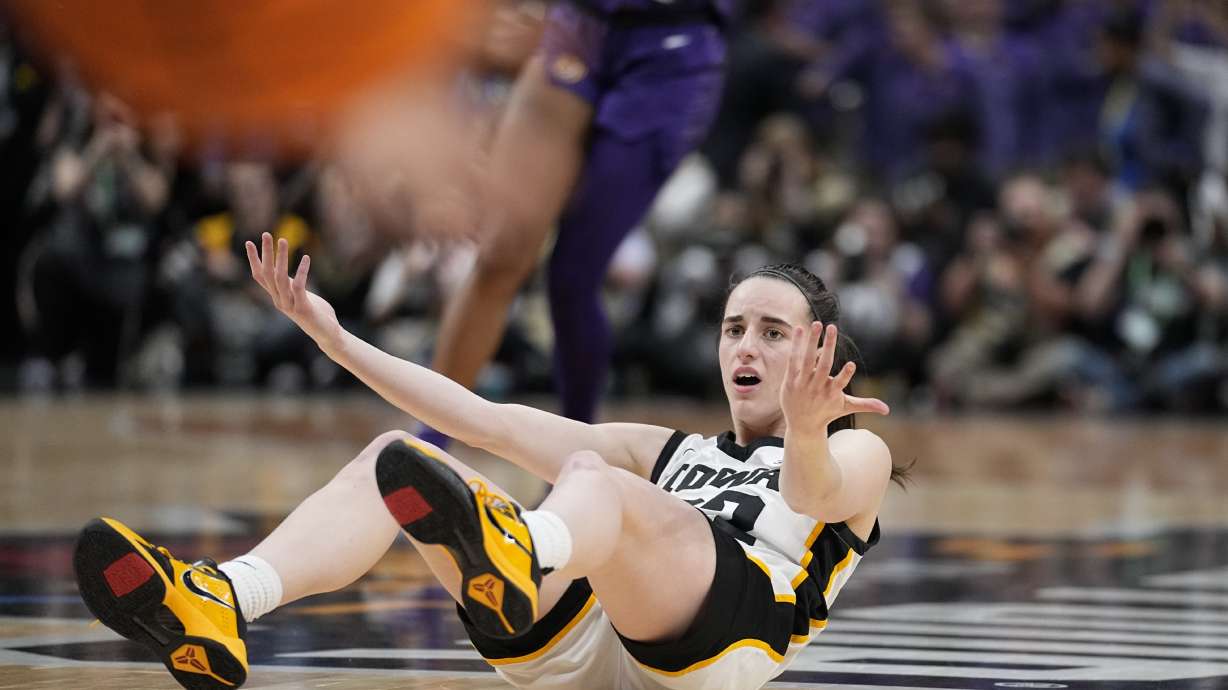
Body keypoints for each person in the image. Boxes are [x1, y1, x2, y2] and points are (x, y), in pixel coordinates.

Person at [72, 234, 904, 690]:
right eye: (733, 328)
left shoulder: (856, 447)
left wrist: (803, 424)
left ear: (819, 350)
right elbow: (480, 419)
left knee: (593, 481)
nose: (745, 346)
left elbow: (812, 489)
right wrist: (335, 339)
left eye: (772, 331)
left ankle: (519, 549)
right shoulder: (669, 451)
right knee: (394, 457)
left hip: (726, 649)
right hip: (589, 644)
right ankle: (225, 597)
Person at [422, 0, 731, 445]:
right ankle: (428, 442)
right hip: (576, 26)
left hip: (672, 53)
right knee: (500, 253)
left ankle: (575, 451)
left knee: (572, 276)